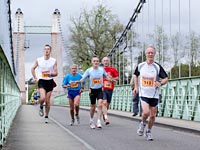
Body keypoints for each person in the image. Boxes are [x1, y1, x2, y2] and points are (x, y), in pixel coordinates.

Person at [133, 46, 168, 141]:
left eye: (152, 53)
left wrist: (160, 83)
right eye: (148, 53)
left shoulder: (157, 67)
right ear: (146, 54)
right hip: (143, 93)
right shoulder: (141, 65)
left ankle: (148, 131)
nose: (150, 54)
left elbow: (166, 78)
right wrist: (136, 87)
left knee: (152, 116)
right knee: (146, 112)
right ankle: (142, 123)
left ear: (154, 54)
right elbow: (135, 75)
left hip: (154, 94)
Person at [80, 56, 111, 129]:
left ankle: (98, 121)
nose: (96, 62)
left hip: (100, 89)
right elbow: (83, 77)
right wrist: (80, 81)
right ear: (92, 62)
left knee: (100, 104)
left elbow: (106, 76)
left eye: (97, 61)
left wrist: (110, 79)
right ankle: (91, 120)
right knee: (93, 107)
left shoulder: (101, 69)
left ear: (99, 62)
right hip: (92, 90)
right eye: (94, 61)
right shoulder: (89, 70)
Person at [31, 44, 58, 123]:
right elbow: (32, 68)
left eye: (48, 49)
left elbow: (56, 73)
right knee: (42, 98)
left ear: (50, 51)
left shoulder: (53, 60)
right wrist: (35, 78)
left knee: (48, 101)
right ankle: (41, 106)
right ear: (43, 50)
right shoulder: (39, 60)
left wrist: (51, 74)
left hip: (50, 81)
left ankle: (46, 116)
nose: (46, 51)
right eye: (45, 49)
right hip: (42, 81)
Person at [101, 56, 119, 125]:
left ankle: (104, 114)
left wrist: (112, 79)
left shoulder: (112, 69)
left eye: (107, 61)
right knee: (104, 103)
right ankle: (106, 118)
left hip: (110, 88)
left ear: (109, 62)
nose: (106, 62)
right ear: (102, 62)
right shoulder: (100, 70)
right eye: (104, 61)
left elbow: (117, 78)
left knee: (107, 104)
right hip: (102, 88)